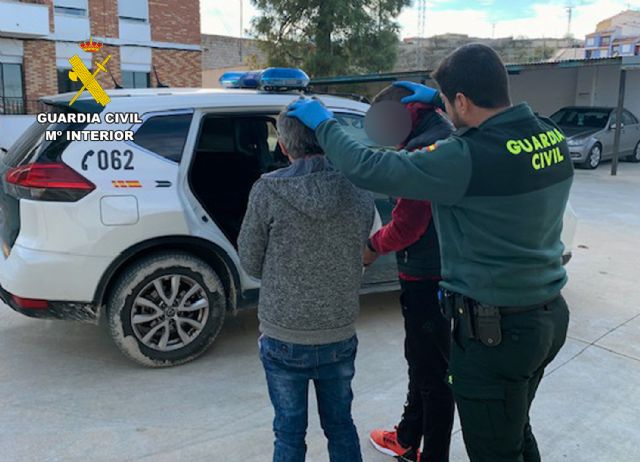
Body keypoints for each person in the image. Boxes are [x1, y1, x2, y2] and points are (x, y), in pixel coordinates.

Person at [287, 43, 573, 462]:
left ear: (461, 100)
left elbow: (370, 167)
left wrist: (326, 125)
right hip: (547, 318)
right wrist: (439, 109)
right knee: (514, 431)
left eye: (445, 99)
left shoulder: (464, 157)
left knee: (496, 450)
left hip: (496, 333)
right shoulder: (549, 133)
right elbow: (496, 140)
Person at [238, 110, 376, 462]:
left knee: (288, 433)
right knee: (341, 426)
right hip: (338, 331)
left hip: (283, 334)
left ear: (283, 146)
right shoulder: (359, 188)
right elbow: (363, 250)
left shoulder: (266, 190)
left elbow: (251, 263)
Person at [364, 85, 455, 462]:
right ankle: (406, 436)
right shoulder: (442, 132)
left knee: (433, 374)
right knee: (422, 360)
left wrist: (370, 247)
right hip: (439, 269)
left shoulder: (423, 151)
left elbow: (408, 226)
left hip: (428, 276)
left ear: (408, 110)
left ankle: (432, 455)